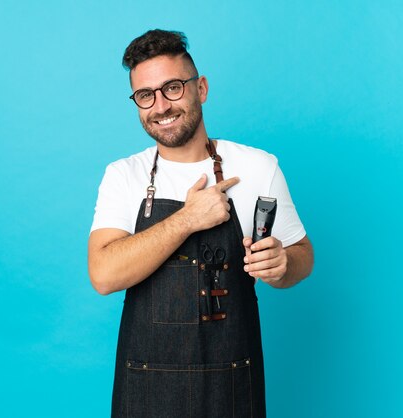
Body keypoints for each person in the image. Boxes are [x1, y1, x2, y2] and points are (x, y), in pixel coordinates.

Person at [88, 29, 314, 418]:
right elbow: (104, 274)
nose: (160, 106)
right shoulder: (123, 175)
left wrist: (282, 265)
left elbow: (302, 257)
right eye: (146, 95)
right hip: (145, 390)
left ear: (201, 88)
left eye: (173, 88)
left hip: (231, 387)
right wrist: (188, 219)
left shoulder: (258, 167)